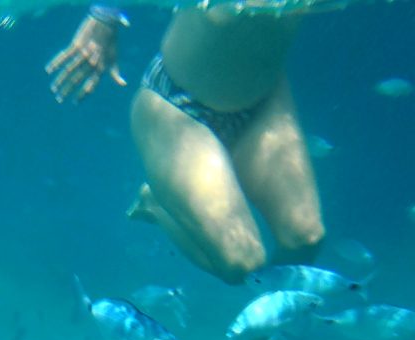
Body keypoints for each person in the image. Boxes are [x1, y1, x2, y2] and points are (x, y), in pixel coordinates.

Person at [46, 3, 325, 285]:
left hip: (264, 101)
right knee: (243, 263)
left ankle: (275, 321)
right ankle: (156, 204)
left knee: (304, 239)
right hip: (177, 105)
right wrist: (104, 16)